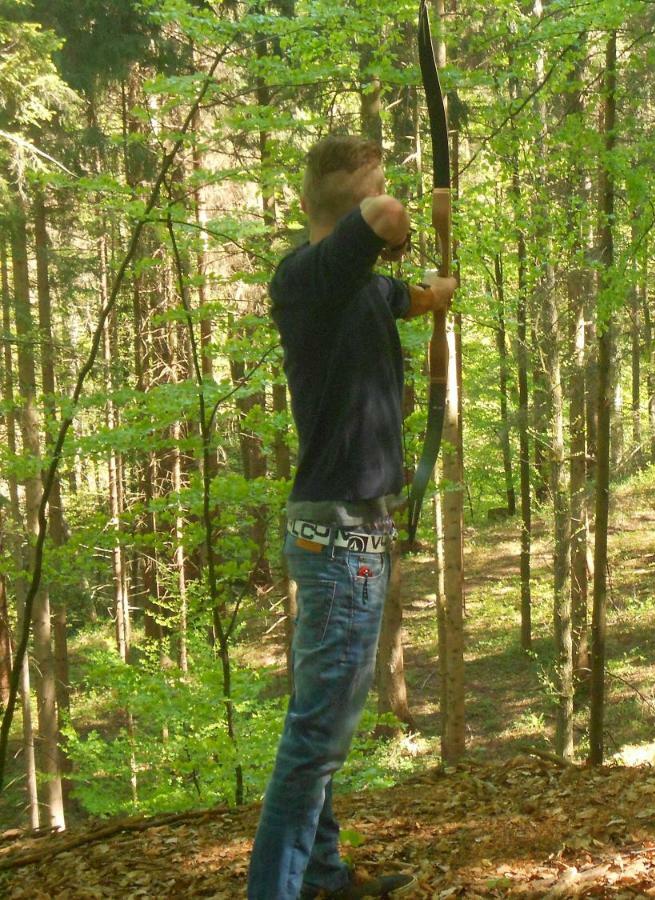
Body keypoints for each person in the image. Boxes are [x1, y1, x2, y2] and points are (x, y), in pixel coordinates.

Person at [248, 134, 457, 900]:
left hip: (351, 529)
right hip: (336, 533)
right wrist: (412, 210)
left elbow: (419, 294)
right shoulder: (307, 278)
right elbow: (385, 214)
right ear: (341, 204)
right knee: (316, 738)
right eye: (375, 180)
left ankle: (324, 878)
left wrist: (437, 285)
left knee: (320, 727)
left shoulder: (362, 287)